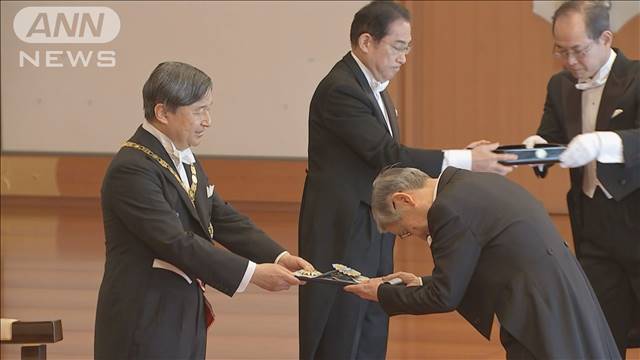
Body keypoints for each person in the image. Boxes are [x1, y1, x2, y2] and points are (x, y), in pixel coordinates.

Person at [298, 2, 517, 359]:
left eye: (408, 47)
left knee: (372, 313)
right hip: (343, 225)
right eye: (398, 46)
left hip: (371, 220)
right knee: (340, 323)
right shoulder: (341, 89)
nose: (404, 57)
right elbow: (387, 154)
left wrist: (466, 157)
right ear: (367, 42)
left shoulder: (374, 87)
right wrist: (465, 159)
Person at [94, 61, 313, 360]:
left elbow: (220, 215)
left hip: (182, 309)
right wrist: (252, 274)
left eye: (208, 109)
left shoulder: (182, 155)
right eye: (198, 110)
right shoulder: (132, 168)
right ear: (162, 112)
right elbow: (174, 241)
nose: (207, 120)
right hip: (143, 314)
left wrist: (278, 256)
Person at [345, 166, 620, 359]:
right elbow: (478, 259)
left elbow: (444, 297)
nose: (414, 236)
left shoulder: (447, 209)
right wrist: (419, 282)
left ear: (403, 200)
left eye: (404, 229)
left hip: (538, 309)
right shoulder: (470, 184)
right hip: (558, 292)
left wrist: (381, 294)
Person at [521, 1, 639, 356]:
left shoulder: (637, 77)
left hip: (637, 218)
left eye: (578, 50)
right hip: (593, 229)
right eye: (561, 50)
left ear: (605, 38)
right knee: (601, 333)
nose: (569, 61)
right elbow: (551, 134)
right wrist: (538, 149)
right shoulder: (560, 85)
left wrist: (603, 142)